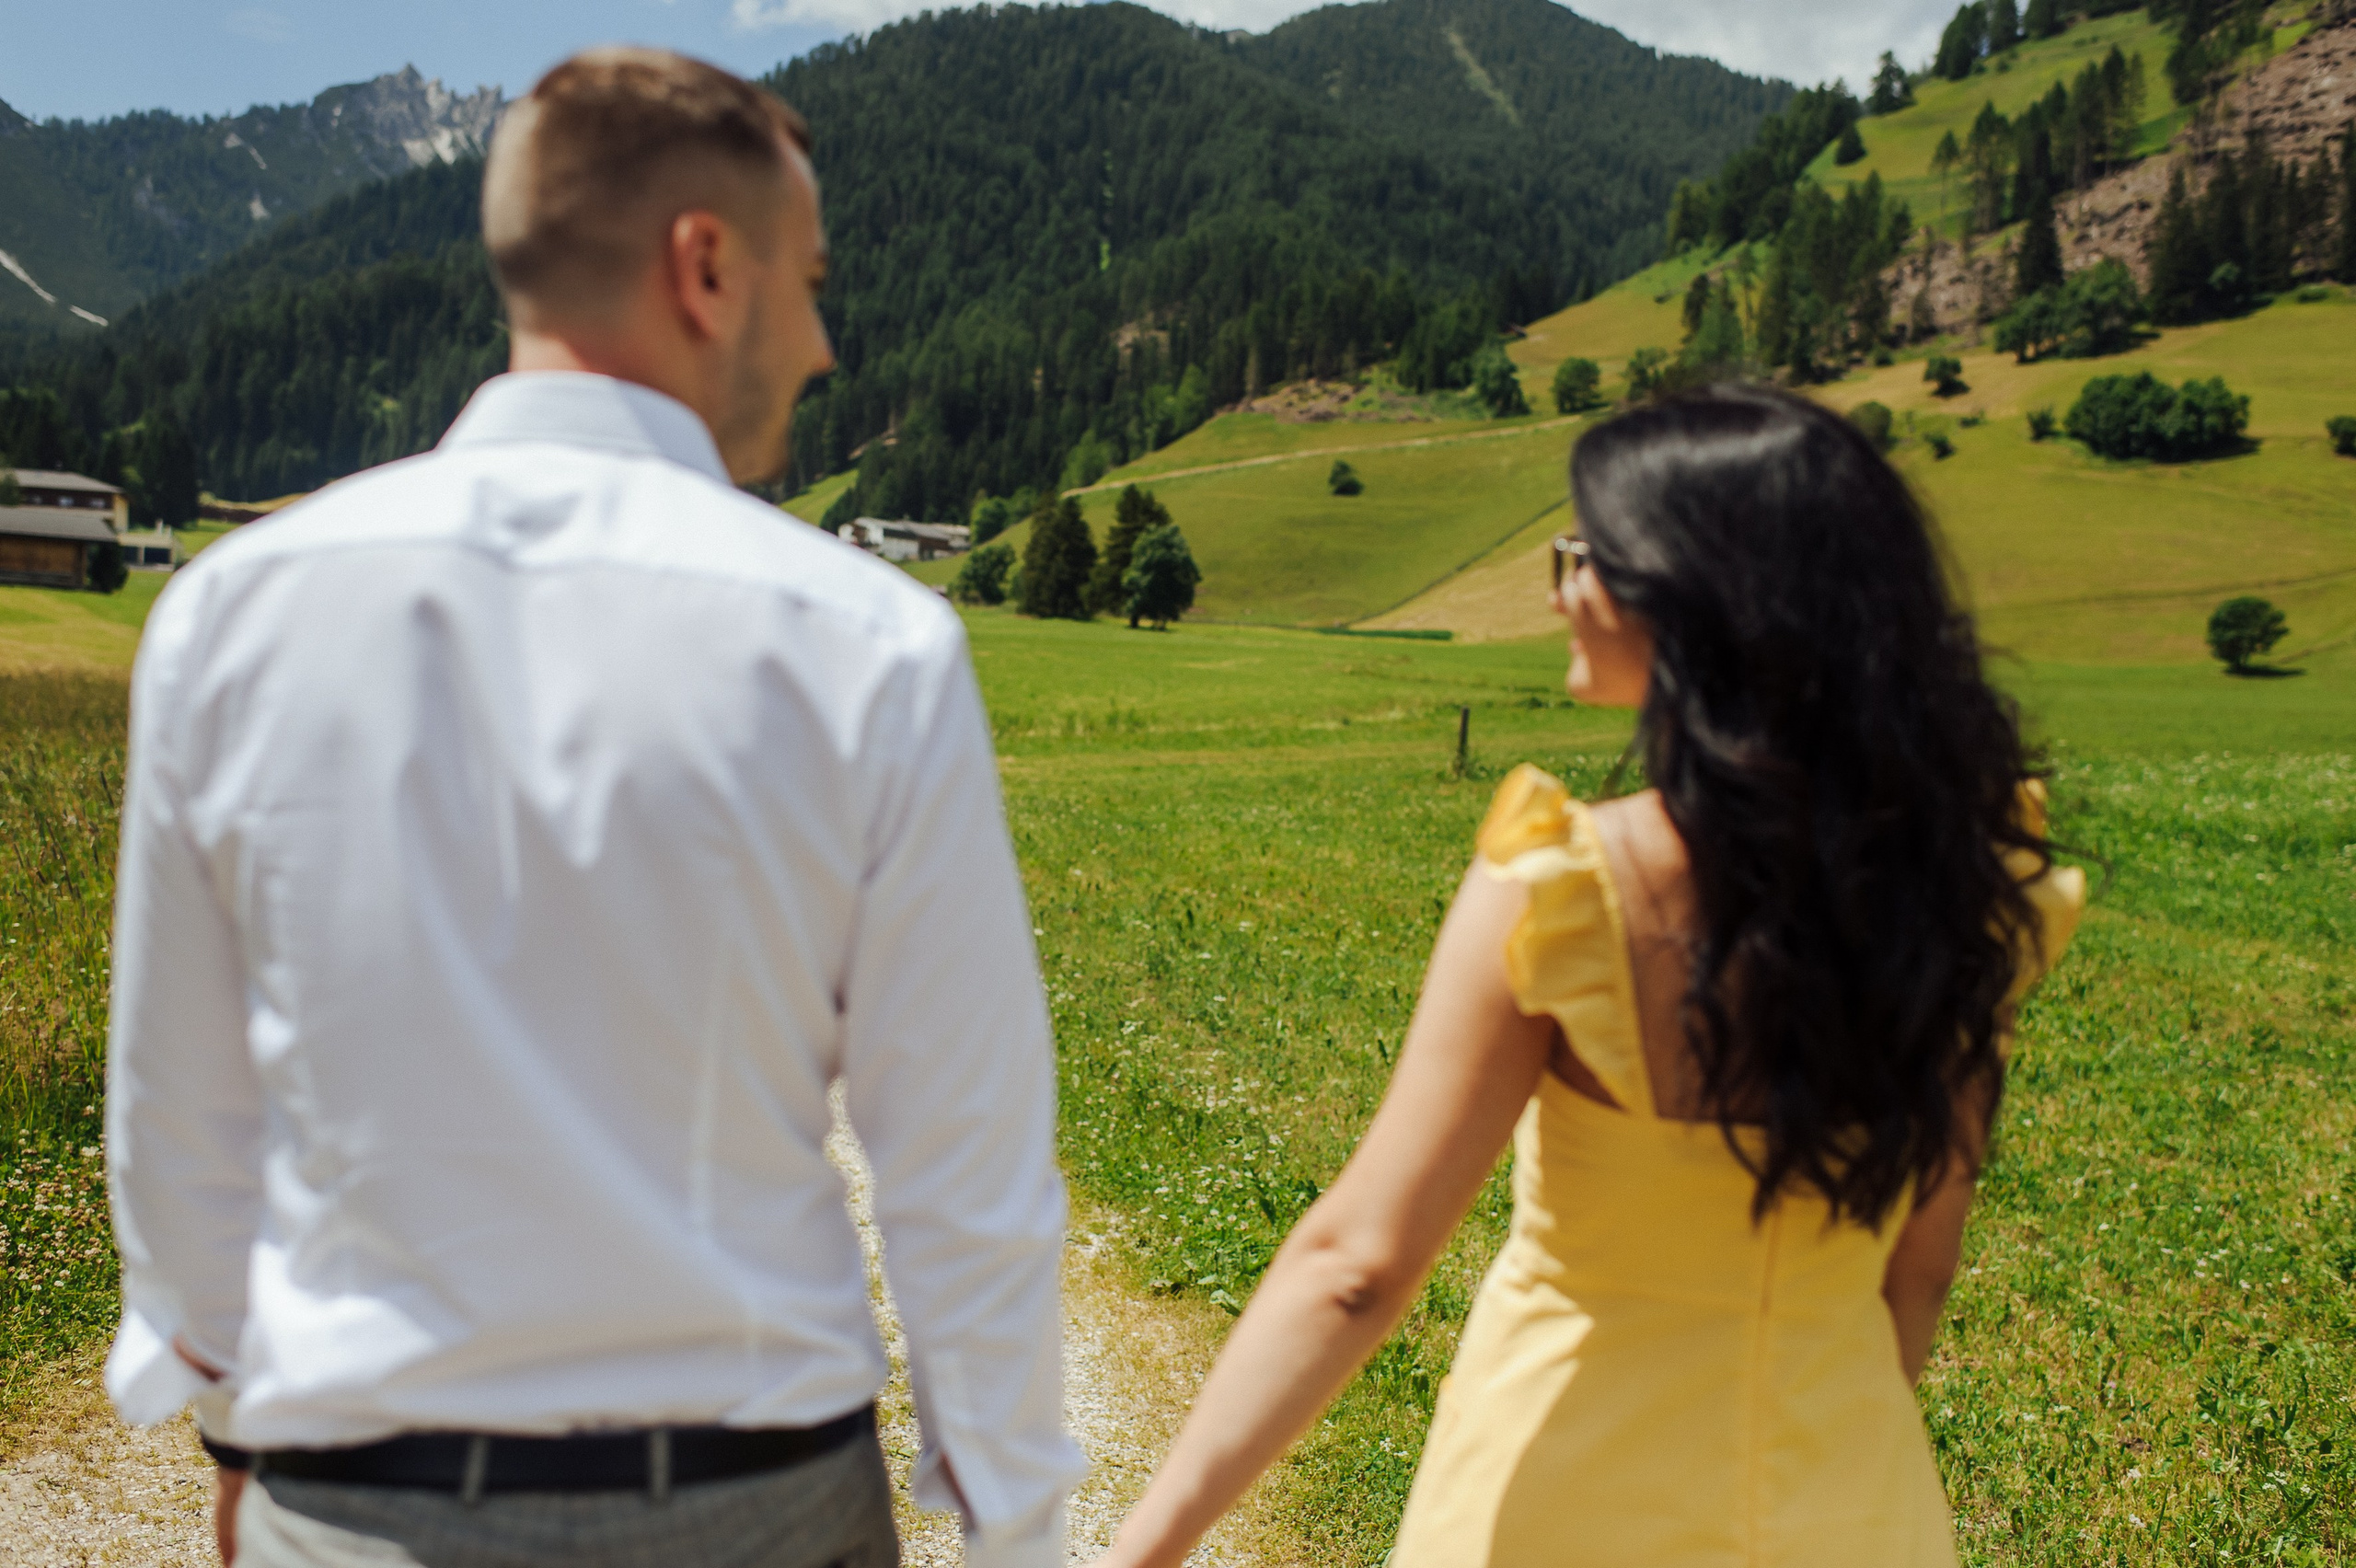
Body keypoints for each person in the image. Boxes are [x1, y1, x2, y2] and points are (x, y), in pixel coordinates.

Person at [103, 48, 1081, 1568]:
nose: (824, 342)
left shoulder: (229, 617)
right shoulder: (868, 643)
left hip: (362, 1508)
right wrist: (1017, 1530)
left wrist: (237, 1430)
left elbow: (185, 1117)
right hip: (756, 1510)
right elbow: (964, 1164)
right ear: (705, 265)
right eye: (810, 281)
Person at [1093, 383, 2085, 1567]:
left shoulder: (1567, 885)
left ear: (1692, 596)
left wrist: (1139, 1553)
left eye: (1585, 556)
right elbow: (1917, 1275)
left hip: (1557, 1499)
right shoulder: (1968, 899)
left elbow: (1358, 1266)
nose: (1565, 589)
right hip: (1851, 1503)